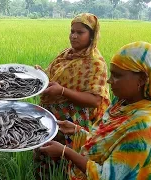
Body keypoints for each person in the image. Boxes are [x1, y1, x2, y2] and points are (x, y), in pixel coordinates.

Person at [40, 41, 151, 180]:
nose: (109, 81)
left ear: (142, 79)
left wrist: (66, 152)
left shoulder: (147, 128)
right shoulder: (122, 105)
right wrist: (77, 131)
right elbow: (107, 145)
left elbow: (107, 176)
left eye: (117, 75)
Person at [34, 13, 110, 178]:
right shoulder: (66, 54)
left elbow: (95, 100)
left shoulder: (95, 63)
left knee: (66, 164)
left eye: (80, 32)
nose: (74, 36)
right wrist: (41, 76)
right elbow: (54, 78)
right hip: (50, 116)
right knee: (45, 156)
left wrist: (62, 91)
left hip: (73, 120)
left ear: (92, 35)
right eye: (72, 31)